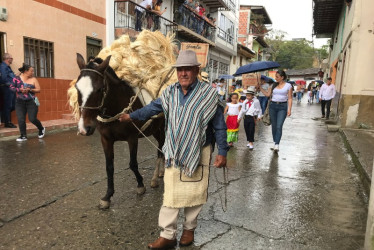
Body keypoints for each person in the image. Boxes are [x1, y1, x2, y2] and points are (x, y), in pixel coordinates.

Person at [118, 50, 229, 249]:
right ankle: (168, 235)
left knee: (195, 192)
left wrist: (222, 152)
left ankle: (189, 229)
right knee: (171, 193)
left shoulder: (209, 95)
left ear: (196, 70)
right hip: (173, 152)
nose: (183, 73)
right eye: (180, 69)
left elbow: (220, 126)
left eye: (188, 69)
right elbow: (152, 108)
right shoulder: (169, 93)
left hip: (200, 150)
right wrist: (131, 116)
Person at [258, 70, 292, 152]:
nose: (275, 78)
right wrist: (260, 88)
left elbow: (290, 98)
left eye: (277, 77)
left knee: (279, 126)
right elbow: (268, 95)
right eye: (275, 76)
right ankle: (275, 142)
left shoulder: (288, 86)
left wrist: (289, 109)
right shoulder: (273, 85)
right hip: (272, 106)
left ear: (282, 77)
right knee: (274, 126)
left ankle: (277, 144)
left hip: (282, 107)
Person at [10, 64, 45, 141]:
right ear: (25, 71)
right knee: (21, 119)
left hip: (31, 101)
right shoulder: (17, 78)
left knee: (32, 118)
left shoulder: (33, 79)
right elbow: (11, 88)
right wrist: (20, 90)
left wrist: (30, 89)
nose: (32, 72)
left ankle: (41, 128)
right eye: (31, 71)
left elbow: (38, 89)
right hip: (19, 102)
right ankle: (23, 135)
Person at [0, 53, 17, 128]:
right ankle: (7, 122)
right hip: (7, 88)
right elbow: (3, 78)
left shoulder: (8, 67)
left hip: (11, 88)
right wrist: (9, 85)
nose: (12, 59)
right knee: (8, 105)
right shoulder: (3, 66)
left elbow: (12, 77)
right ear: (7, 59)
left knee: (13, 105)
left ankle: (4, 119)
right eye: (11, 58)